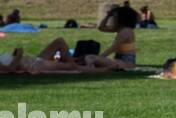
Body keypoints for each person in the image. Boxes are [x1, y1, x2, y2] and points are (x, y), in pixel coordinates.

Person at [0, 38, 131, 75]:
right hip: (33, 65)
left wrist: (17, 55)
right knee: (72, 68)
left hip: (33, 59)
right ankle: (110, 69)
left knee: (59, 41)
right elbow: (10, 70)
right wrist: (18, 56)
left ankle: (74, 63)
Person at [98, 2, 141, 68]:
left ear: (122, 18)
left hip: (126, 62)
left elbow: (113, 47)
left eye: (115, 17)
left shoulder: (126, 31)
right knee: (91, 60)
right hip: (119, 60)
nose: (114, 19)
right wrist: (108, 16)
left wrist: (99, 58)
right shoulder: (120, 29)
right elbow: (101, 28)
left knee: (93, 60)